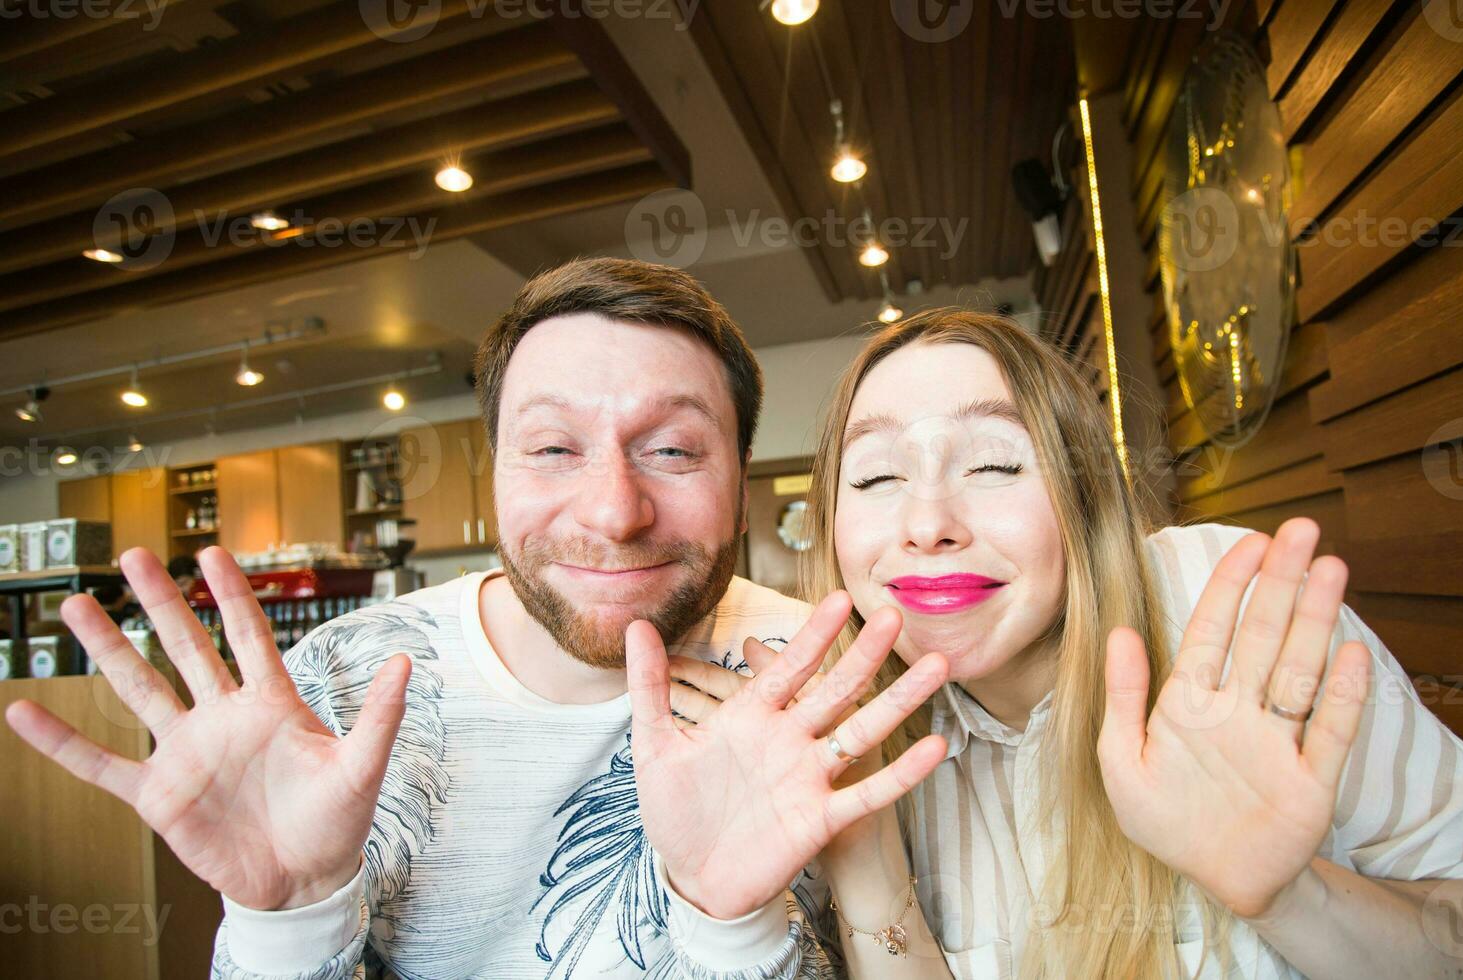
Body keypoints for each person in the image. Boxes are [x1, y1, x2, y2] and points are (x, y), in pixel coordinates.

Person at [3, 258, 948, 979]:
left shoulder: (835, 684)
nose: (615, 511)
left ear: (742, 489)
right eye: (550, 448)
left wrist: (732, 927)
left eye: (670, 448)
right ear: (492, 479)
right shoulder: (343, 680)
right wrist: (289, 917)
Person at [675, 309, 1463, 978]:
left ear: (1083, 497)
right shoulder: (838, 742)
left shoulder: (1228, 618)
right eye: (877, 478)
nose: (926, 525)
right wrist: (868, 866)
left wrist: (1292, 896)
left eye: (992, 462)